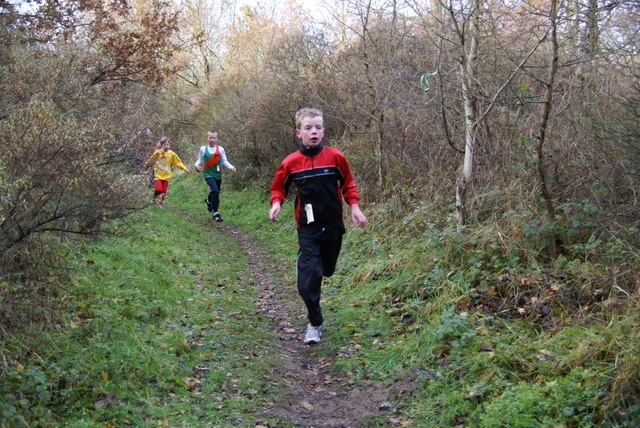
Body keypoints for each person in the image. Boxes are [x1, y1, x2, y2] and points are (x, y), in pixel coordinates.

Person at [268, 108, 368, 344]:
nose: (314, 132)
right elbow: (278, 187)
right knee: (308, 281)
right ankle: (314, 323)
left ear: (323, 130)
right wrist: (276, 203)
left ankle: (314, 273)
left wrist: (354, 206)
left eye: (318, 127)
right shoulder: (291, 162)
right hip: (308, 228)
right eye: (308, 128)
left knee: (327, 270)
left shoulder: (335, 157)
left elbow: (348, 184)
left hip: (333, 226)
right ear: (298, 132)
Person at [194, 130, 237, 222]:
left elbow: (224, 161)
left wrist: (231, 167)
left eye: (214, 138)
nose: (212, 140)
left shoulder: (220, 149)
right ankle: (216, 213)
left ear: (217, 139)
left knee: (216, 192)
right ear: (207, 138)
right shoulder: (203, 149)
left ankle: (209, 201)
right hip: (208, 174)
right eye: (210, 138)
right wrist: (196, 165)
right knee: (215, 190)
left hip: (217, 174)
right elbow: (200, 160)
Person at [146, 137, 189, 208]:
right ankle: (155, 200)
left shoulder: (172, 154)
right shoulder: (158, 152)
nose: (166, 146)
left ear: (170, 145)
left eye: (167, 145)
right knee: (159, 188)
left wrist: (184, 168)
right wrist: (146, 164)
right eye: (164, 145)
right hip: (158, 174)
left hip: (166, 175)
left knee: (163, 190)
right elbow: (151, 159)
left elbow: (177, 162)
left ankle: (160, 202)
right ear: (161, 145)